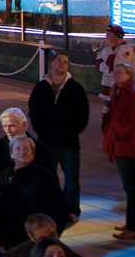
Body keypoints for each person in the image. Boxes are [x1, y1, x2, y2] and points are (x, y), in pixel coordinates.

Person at [27, 52, 90, 223]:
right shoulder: (41, 87)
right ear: (52, 64)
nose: (62, 64)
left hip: (69, 143)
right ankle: (52, 208)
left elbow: (83, 115)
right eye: (59, 61)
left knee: (71, 180)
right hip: (46, 142)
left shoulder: (76, 88)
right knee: (48, 177)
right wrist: (42, 130)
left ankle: (72, 210)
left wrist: (71, 131)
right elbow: (33, 111)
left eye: (66, 61)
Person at [0, 136, 66, 252]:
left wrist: (53, 235)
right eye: (18, 149)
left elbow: (58, 206)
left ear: (32, 154)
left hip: (37, 237)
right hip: (11, 238)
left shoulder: (44, 175)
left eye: (26, 149)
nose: (22, 152)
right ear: (11, 153)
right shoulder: (4, 175)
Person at [102, 63, 135, 240]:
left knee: (131, 187)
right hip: (119, 142)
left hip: (126, 145)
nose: (117, 75)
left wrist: (118, 134)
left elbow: (134, 123)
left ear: (129, 75)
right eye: (116, 73)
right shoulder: (119, 91)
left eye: (121, 73)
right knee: (131, 186)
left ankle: (134, 226)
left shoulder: (132, 94)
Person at [93, 25, 135, 102]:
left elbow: (114, 68)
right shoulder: (107, 48)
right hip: (107, 88)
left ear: (117, 36)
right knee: (106, 112)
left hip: (120, 90)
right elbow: (97, 64)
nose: (106, 36)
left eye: (109, 34)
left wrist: (105, 67)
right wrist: (106, 68)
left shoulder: (126, 50)